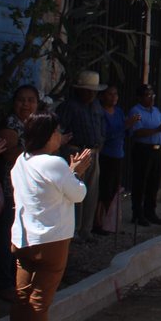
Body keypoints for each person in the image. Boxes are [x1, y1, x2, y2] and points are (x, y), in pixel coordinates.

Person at [10, 112, 92, 321]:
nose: (60, 135)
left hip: (23, 239)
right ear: (48, 135)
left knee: (22, 298)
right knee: (39, 301)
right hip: (52, 240)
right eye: (57, 131)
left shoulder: (21, 161)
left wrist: (70, 173)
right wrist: (76, 173)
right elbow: (78, 194)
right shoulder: (54, 163)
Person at [0, 85, 40, 300]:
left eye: (30, 100)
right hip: (10, 190)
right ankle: (3, 283)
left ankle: (18, 279)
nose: (26, 104)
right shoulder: (10, 125)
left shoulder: (36, 125)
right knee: (6, 238)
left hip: (30, 192)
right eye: (22, 100)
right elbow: (10, 155)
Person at [56, 71, 107, 241]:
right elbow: (60, 129)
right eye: (88, 90)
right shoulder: (69, 106)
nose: (91, 94)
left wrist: (100, 142)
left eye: (94, 91)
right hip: (74, 151)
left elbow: (101, 126)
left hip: (93, 152)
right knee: (75, 191)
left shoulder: (96, 106)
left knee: (91, 192)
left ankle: (87, 229)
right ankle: (74, 229)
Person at [128, 84, 161, 227]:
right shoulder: (136, 111)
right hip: (143, 149)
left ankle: (150, 211)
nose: (151, 98)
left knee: (154, 182)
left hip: (156, 149)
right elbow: (137, 132)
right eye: (147, 95)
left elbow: (160, 128)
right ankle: (137, 213)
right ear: (140, 97)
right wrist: (157, 129)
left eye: (152, 95)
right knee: (141, 181)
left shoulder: (157, 111)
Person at [97, 85, 138, 235]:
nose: (114, 97)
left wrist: (129, 126)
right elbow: (105, 134)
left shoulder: (119, 112)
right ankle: (99, 222)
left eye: (116, 94)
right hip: (105, 154)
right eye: (110, 94)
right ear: (102, 96)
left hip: (118, 153)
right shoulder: (101, 113)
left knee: (115, 189)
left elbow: (125, 132)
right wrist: (124, 125)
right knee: (104, 189)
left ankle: (111, 222)